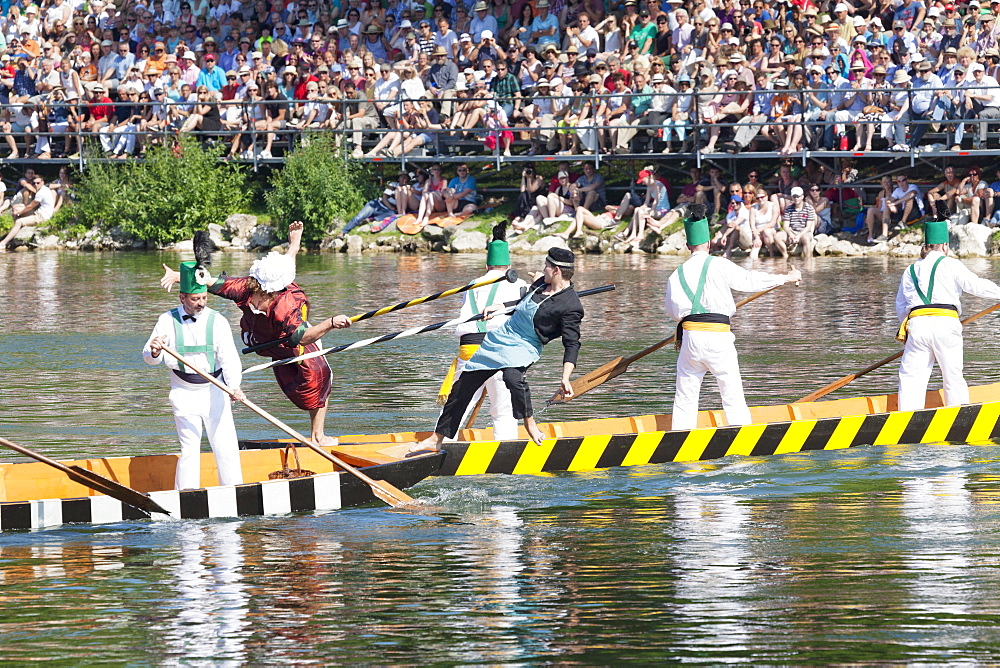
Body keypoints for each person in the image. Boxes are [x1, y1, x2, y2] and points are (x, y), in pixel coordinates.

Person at [160, 222, 352, 446]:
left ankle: (318, 436)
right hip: (262, 339)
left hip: (292, 336)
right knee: (306, 364)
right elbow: (209, 281)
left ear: (272, 293)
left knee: (321, 372)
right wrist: (179, 276)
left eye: (262, 300)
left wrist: (329, 323)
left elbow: (305, 336)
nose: (256, 303)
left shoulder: (286, 306)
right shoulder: (244, 287)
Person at [415, 247, 583, 449]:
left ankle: (529, 423)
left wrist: (565, 377)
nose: (542, 269)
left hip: (526, 344)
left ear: (556, 270)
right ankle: (437, 438)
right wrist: (501, 306)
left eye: (546, 266)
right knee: (463, 385)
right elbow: (524, 301)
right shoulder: (540, 284)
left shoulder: (571, 305)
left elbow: (572, 343)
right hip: (503, 336)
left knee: (512, 378)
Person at [666, 207, 801, 430]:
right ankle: (741, 439)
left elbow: (673, 313)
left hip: (689, 339)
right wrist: (785, 278)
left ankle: (680, 436)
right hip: (718, 338)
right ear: (708, 243)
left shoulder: (675, 274)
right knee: (732, 393)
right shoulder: (718, 264)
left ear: (688, 246)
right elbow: (749, 281)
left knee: (685, 396)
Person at [143, 261, 245, 490]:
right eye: (195, 299)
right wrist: (155, 350)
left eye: (203, 298)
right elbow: (148, 358)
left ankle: (234, 491)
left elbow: (229, 358)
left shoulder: (217, 320)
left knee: (225, 445)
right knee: (189, 448)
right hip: (183, 392)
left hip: (216, 391)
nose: (200, 303)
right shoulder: (166, 320)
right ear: (182, 297)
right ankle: (186, 496)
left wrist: (234, 386)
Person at [895, 218, 1000, 411]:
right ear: (944, 246)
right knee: (952, 375)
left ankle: (906, 419)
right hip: (945, 324)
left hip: (916, 325)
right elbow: (975, 286)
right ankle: (958, 416)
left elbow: (901, 307)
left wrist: (914, 327)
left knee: (911, 378)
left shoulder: (910, 270)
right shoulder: (950, 264)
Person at [436, 223, 529, 439]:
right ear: (509, 267)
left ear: (487, 267)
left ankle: (439, 443)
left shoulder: (472, 284)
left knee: (457, 404)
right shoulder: (520, 285)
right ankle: (505, 453)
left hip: (469, 350)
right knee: (503, 410)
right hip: (500, 351)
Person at [0, 173, 54, 251]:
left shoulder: (41, 192)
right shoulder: (43, 189)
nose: (36, 185)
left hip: (42, 216)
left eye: (38, 183)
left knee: (19, 221)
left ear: (42, 182)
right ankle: (14, 235)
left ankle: (3, 243)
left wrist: (19, 213)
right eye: (34, 183)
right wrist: (19, 210)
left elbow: (30, 206)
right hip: (39, 212)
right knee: (16, 208)